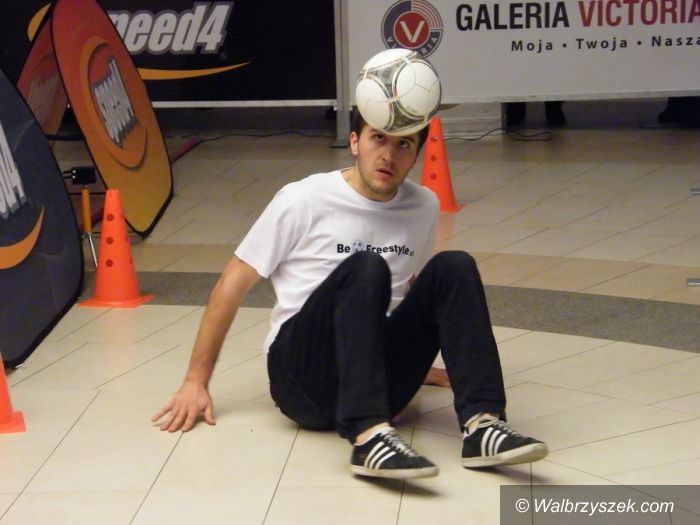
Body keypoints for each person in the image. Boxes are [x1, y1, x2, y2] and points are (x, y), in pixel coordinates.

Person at [152, 111, 548, 480]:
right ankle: (368, 436)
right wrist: (195, 380)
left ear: (415, 156)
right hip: (305, 381)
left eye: (404, 145)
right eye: (379, 139)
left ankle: (483, 425)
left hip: (381, 379)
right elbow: (231, 284)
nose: (389, 155)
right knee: (366, 267)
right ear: (355, 141)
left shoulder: (422, 205)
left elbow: (410, 287)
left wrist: (417, 358)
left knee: (454, 265)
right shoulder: (302, 199)